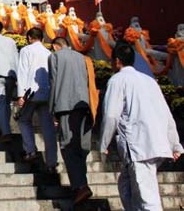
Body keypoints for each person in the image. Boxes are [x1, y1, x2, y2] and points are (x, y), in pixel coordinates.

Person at [100, 43, 183, 211]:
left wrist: (104, 143)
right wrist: (174, 143)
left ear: (117, 61)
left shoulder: (117, 80)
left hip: (138, 146)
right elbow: (166, 114)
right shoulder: (149, 81)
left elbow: (111, 115)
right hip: (154, 142)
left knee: (148, 199)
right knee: (126, 186)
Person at [49, 37, 97, 204]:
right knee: (80, 146)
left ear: (56, 46)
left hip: (65, 105)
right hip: (84, 104)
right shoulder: (82, 57)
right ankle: (81, 184)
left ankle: (80, 186)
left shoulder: (55, 57)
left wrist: (52, 109)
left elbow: (54, 82)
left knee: (68, 146)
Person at [16, 27, 58, 169]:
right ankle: (52, 162)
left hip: (31, 92)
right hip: (47, 93)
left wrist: (20, 94)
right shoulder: (48, 53)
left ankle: (30, 150)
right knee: (48, 129)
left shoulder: (26, 51)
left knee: (23, 119)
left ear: (29, 38)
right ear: (42, 38)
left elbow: (22, 71)